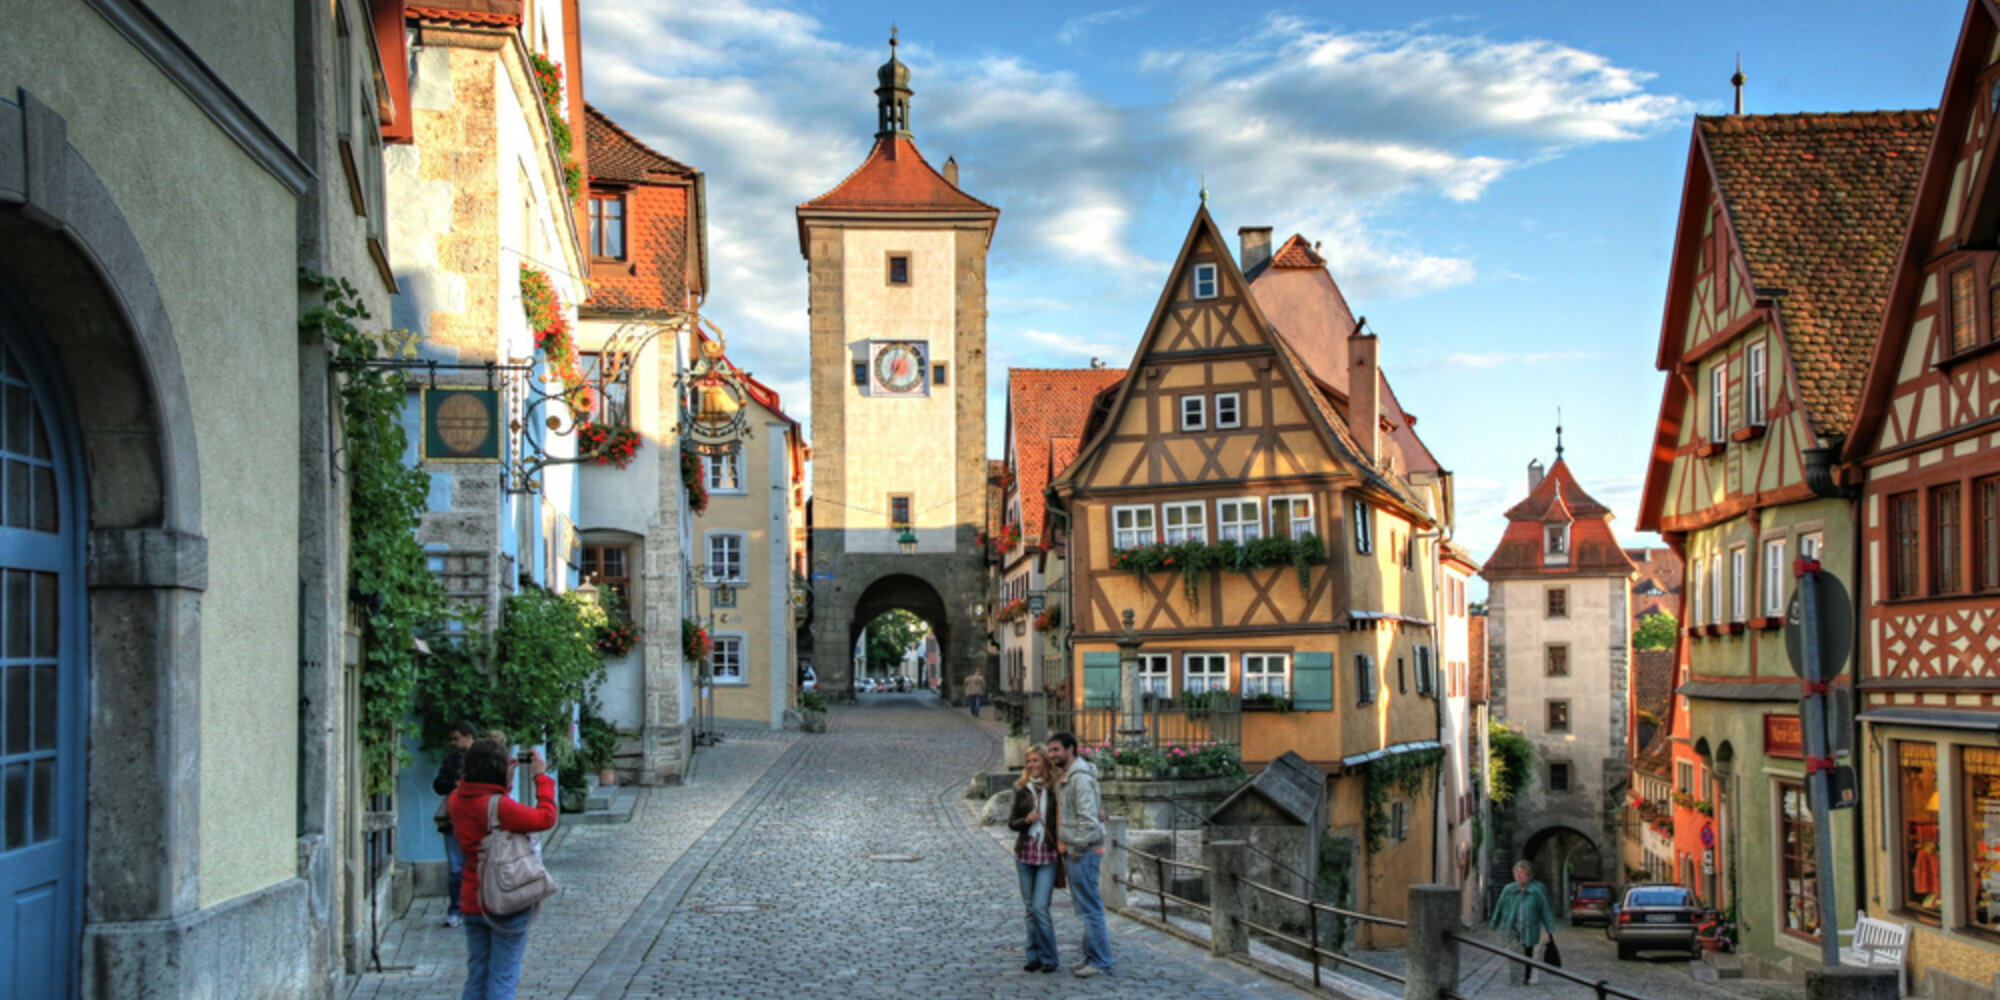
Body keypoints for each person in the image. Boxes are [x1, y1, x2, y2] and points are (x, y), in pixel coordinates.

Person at [449, 739, 558, 1000]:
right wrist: (541, 777)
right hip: (505, 897)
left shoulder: (456, 799)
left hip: (473, 898)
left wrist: (503, 784)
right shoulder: (499, 806)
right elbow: (546, 817)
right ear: (497, 769)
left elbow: (488, 812)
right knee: (503, 979)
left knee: (477, 977)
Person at [1047, 731, 1112, 978]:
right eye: (1050, 751)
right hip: (1077, 850)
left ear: (1071, 749)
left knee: (1090, 909)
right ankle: (1091, 956)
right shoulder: (1069, 776)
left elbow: (1088, 821)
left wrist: (1074, 846)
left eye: (1056, 750)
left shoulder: (1080, 778)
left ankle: (1100, 961)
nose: (1052, 755)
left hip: (1082, 852)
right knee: (1086, 907)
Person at [1007, 746, 1064, 973]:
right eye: (1028, 761)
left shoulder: (1055, 790)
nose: (1031, 765)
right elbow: (1012, 822)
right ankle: (1033, 955)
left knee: (1041, 907)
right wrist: (1026, 820)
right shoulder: (1022, 790)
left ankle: (1050, 957)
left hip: (1047, 856)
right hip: (1025, 855)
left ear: (1046, 764)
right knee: (1030, 909)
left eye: (1035, 761)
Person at [433, 721, 479, 928]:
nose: (453, 743)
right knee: (455, 868)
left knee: (481, 865)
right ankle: (456, 909)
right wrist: (455, 783)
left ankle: (479, 907)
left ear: (468, 737)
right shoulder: (452, 760)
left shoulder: (483, 758)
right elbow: (438, 784)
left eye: (456, 738)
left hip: (478, 819)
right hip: (454, 820)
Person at [1489, 860, 1558, 985]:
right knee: (1515, 952)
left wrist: (1549, 927)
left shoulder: (1536, 892)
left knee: (1528, 952)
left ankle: (1526, 976)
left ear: (1529, 875)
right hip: (1513, 926)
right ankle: (1516, 975)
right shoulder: (1508, 890)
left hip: (1529, 928)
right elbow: (1500, 905)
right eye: (1517, 872)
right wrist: (1495, 921)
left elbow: (1544, 910)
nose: (1519, 875)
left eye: (1522, 873)